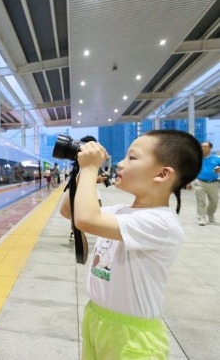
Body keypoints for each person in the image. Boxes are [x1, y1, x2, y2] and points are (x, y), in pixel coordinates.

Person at [60, 130, 202, 359]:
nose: (120, 164)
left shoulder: (162, 222)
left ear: (162, 174)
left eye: (132, 158)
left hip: (133, 337)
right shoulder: (120, 211)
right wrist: (80, 170)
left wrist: (89, 168)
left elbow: (86, 219)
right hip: (96, 319)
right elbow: (70, 211)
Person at [191, 141, 220, 226]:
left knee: (214, 201)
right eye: (202, 146)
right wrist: (188, 182)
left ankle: (210, 215)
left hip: (214, 183)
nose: (202, 148)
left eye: (205, 147)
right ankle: (201, 218)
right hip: (200, 182)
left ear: (210, 148)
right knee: (201, 201)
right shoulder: (197, 158)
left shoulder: (216, 158)